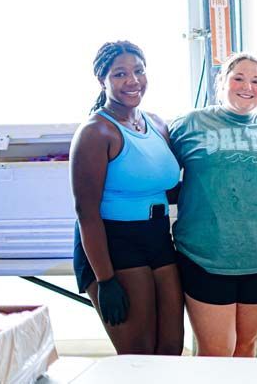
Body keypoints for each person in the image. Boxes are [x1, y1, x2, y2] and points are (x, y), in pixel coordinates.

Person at [169, 53, 257, 357]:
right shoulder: (189, 125)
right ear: (220, 82)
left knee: (246, 348)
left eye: (255, 80)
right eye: (238, 77)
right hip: (205, 255)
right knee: (216, 353)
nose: (246, 86)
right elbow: (161, 178)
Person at [70, 40, 184, 355]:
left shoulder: (157, 124)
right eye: (120, 74)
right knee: (139, 357)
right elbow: (86, 213)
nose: (132, 81)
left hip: (158, 237)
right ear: (102, 80)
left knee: (172, 349)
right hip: (113, 241)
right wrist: (105, 279)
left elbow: (170, 187)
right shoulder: (96, 133)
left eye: (138, 71)